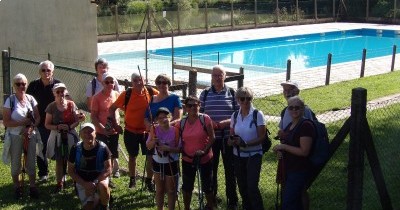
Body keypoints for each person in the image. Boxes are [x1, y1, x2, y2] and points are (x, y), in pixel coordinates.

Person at [108, 72, 159, 190]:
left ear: (145, 80)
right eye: (135, 80)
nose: (138, 82)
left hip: (147, 132)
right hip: (130, 131)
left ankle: (148, 181)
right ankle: (132, 180)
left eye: (140, 80)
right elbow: (112, 109)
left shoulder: (151, 92)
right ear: (132, 82)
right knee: (132, 156)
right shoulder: (127, 94)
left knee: (150, 156)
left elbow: (163, 100)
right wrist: (115, 125)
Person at [199, 65, 238, 209]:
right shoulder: (205, 94)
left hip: (228, 138)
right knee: (211, 170)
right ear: (211, 77)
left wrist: (224, 123)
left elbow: (239, 115)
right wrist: (210, 125)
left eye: (220, 74)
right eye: (214, 75)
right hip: (211, 139)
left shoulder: (233, 93)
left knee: (230, 171)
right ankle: (212, 200)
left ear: (225, 76)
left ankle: (232, 201)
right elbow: (200, 115)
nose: (217, 77)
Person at [2, 73, 41, 199]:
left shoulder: (30, 99)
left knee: (31, 162)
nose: (21, 86)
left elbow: (38, 117)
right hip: (15, 136)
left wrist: (30, 128)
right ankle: (17, 187)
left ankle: (32, 187)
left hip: (30, 135)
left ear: (27, 84)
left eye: (24, 84)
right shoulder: (10, 101)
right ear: (14, 86)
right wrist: (22, 123)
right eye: (18, 84)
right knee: (15, 164)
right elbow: (6, 122)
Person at [272, 96, 315, 210]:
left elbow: (304, 151)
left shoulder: (306, 125)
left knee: (288, 203)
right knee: (293, 202)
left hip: (299, 170)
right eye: (291, 108)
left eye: (297, 107)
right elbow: (286, 144)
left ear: (302, 109)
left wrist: (284, 146)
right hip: (288, 168)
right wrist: (279, 151)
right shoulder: (289, 125)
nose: (294, 110)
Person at [228, 87, 265, 210]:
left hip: (254, 155)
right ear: (237, 100)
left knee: (252, 187)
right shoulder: (234, 115)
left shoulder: (257, 114)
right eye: (242, 98)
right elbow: (232, 134)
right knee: (242, 187)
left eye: (248, 98)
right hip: (238, 156)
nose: (245, 101)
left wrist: (245, 143)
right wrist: (231, 141)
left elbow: (262, 137)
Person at [26, 60, 62, 182]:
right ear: (39, 72)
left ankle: (62, 173)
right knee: (40, 149)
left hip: (56, 123)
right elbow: (27, 103)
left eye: (48, 70)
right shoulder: (33, 85)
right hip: (40, 123)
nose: (46, 72)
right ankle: (43, 173)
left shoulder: (58, 84)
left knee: (60, 149)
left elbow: (67, 100)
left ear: (52, 72)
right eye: (43, 70)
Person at [179, 95, 215, 210]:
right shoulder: (182, 122)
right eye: (190, 105)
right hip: (187, 159)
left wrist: (204, 151)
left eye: (196, 105)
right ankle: (187, 208)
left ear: (200, 105)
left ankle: (210, 206)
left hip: (205, 158)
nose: (193, 107)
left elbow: (212, 137)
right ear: (186, 107)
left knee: (207, 186)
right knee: (187, 186)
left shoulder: (205, 119)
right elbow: (179, 138)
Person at [45, 83, 82, 193]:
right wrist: (57, 127)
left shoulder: (71, 104)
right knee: (59, 161)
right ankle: (59, 183)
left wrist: (69, 126)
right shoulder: (51, 106)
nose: (61, 94)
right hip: (57, 136)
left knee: (73, 159)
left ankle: (76, 182)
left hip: (70, 135)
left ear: (65, 92)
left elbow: (77, 120)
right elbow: (47, 124)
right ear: (54, 93)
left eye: (62, 91)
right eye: (58, 91)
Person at [68, 123, 112, 210]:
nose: (88, 134)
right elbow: (70, 171)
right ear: (80, 134)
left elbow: (109, 169)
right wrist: (85, 184)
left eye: (90, 131)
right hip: (83, 181)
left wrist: (95, 183)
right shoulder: (75, 148)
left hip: (98, 179)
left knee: (103, 186)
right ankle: (98, 199)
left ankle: (105, 206)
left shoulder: (103, 147)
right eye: (85, 132)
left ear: (95, 133)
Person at [146, 107, 181, 210]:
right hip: (157, 162)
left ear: (170, 117)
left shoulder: (176, 131)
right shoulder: (154, 129)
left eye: (165, 117)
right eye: (160, 118)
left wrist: (168, 148)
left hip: (172, 162)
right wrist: (154, 141)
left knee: (171, 190)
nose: (163, 119)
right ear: (157, 119)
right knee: (159, 190)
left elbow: (180, 149)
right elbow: (148, 146)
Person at [91, 73, 121, 179]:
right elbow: (93, 117)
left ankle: (109, 175)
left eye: (111, 82)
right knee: (102, 154)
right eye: (107, 82)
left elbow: (121, 111)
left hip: (114, 131)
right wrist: (103, 129)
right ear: (103, 83)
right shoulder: (96, 97)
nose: (109, 84)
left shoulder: (117, 94)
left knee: (113, 153)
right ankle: (101, 176)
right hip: (101, 131)